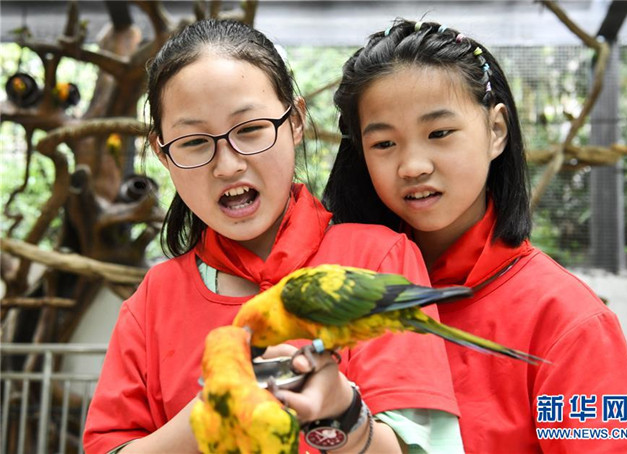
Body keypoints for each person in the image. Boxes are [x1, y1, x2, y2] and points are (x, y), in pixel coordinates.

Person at [83, 19, 466, 454]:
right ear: (161, 152)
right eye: (193, 142)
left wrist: (341, 412)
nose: (228, 166)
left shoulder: (378, 258)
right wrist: (209, 413)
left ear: (295, 121)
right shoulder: (154, 297)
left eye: (250, 130)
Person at [323, 18, 627, 454]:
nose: (413, 166)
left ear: (496, 130)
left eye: (439, 133)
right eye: (384, 143)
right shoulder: (335, 294)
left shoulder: (565, 321)